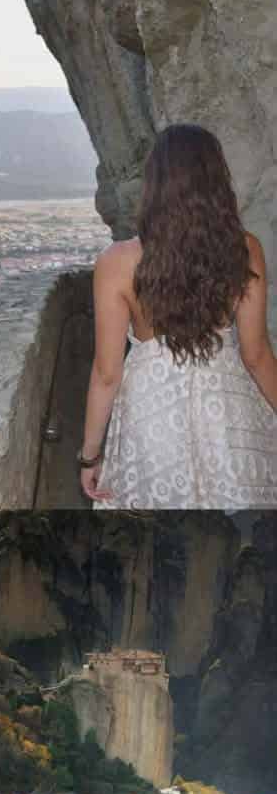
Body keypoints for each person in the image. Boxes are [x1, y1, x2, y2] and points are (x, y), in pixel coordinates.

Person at [79, 123, 277, 509]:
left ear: (153, 186)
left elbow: (107, 372)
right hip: (227, 402)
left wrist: (90, 455)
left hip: (151, 410)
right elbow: (256, 355)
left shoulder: (116, 262)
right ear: (217, 181)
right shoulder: (245, 249)